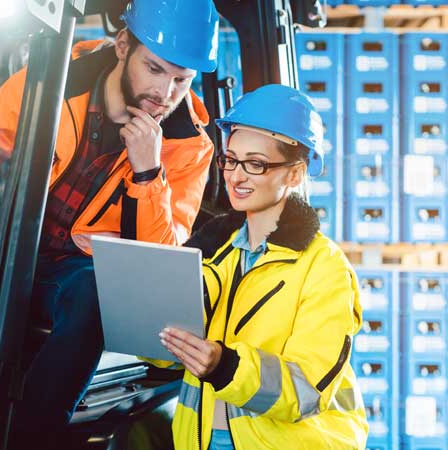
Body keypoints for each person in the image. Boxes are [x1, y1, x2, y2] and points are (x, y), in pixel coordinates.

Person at [0, 0, 219, 446]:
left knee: (94, 295)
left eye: (181, 79)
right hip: (8, 252)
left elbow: (157, 263)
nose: (165, 92)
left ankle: (29, 438)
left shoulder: (189, 148)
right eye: (154, 69)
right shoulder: (51, 80)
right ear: (122, 46)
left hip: (74, 279)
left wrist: (147, 174)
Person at [156, 84, 369, 449]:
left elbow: (306, 390)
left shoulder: (324, 268)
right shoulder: (211, 254)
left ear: (295, 174)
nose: (236, 176)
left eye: (255, 164)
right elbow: (164, 359)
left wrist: (226, 366)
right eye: (231, 159)